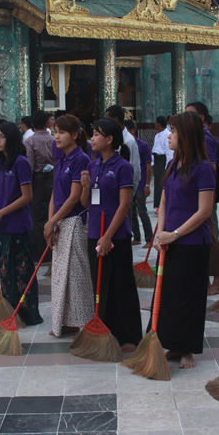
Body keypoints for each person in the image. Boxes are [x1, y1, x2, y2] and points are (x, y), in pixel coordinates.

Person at [153, 111, 215, 369]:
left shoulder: (203, 168)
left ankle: (187, 348)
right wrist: (161, 233)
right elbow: (164, 200)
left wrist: (176, 233)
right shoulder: (173, 164)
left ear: (186, 135)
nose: (169, 136)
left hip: (192, 243)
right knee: (169, 296)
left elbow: (204, 211)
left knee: (189, 297)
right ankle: (173, 344)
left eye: (174, 132)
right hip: (169, 241)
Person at [80, 118, 143, 352]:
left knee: (121, 286)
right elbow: (87, 203)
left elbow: (124, 204)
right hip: (94, 233)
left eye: (96, 134)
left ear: (109, 139)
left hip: (115, 236)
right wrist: (85, 187)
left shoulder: (122, 166)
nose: (92, 138)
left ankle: (129, 335)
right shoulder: (93, 166)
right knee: (100, 286)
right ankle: (105, 333)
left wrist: (108, 237)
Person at [0, 121, 43, 326]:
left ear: (11, 138)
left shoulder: (20, 162)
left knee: (21, 271)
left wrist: (1, 213)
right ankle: (10, 312)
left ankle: (28, 313)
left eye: (1, 136)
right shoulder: (0, 162)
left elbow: (27, 196)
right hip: (1, 225)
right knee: (5, 270)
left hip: (18, 226)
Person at [45, 114, 93, 337]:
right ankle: (64, 321)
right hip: (59, 221)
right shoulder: (61, 160)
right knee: (60, 275)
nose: (57, 136)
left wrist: (54, 221)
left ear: (74, 135)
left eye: (61, 132)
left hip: (74, 221)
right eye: (55, 132)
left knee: (76, 274)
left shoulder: (81, 159)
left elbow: (75, 198)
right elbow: (54, 194)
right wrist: (50, 221)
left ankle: (83, 322)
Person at [185, 102, 219, 296]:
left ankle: (217, 280)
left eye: (190, 114)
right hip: (197, 195)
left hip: (205, 196)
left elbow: (211, 170)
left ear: (201, 117)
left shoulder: (205, 139)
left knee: (210, 234)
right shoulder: (194, 137)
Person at [24, 110, 54, 265]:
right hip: (52, 177)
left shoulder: (30, 141)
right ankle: (51, 252)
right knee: (51, 214)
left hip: (38, 179)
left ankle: (40, 255)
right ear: (47, 123)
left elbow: (29, 165)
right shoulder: (53, 139)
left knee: (37, 217)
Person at [125, 120, 153, 247]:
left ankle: (149, 239)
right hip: (130, 184)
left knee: (142, 211)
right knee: (131, 212)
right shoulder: (125, 145)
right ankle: (136, 237)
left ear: (132, 131)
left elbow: (148, 165)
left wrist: (147, 184)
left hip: (140, 183)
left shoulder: (143, 145)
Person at [105, 105, 141, 193]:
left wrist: (129, 194)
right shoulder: (108, 138)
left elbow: (135, 169)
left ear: (115, 119)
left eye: (108, 119)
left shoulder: (129, 140)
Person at [152, 116, 173, 209]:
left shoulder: (167, 134)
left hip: (163, 161)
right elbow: (155, 149)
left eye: (156, 122)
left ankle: (163, 205)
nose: (155, 124)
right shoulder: (157, 135)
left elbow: (169, 152)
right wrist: (153, 163)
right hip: (157, 160)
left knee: (162, 183)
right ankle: (157, 205)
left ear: (159, 123)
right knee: (157, 183)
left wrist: (167, 167)